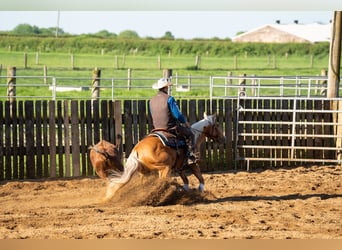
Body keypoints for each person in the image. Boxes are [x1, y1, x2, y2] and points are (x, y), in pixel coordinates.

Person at [149, 78, 198, 164]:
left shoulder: (151, 100)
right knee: (191, 134)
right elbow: (178, 115)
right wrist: (185, 122)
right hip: (169, 128)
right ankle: (190, 157)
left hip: (156, 129)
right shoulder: (169, 99)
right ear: (166, 88)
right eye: (168, 87)